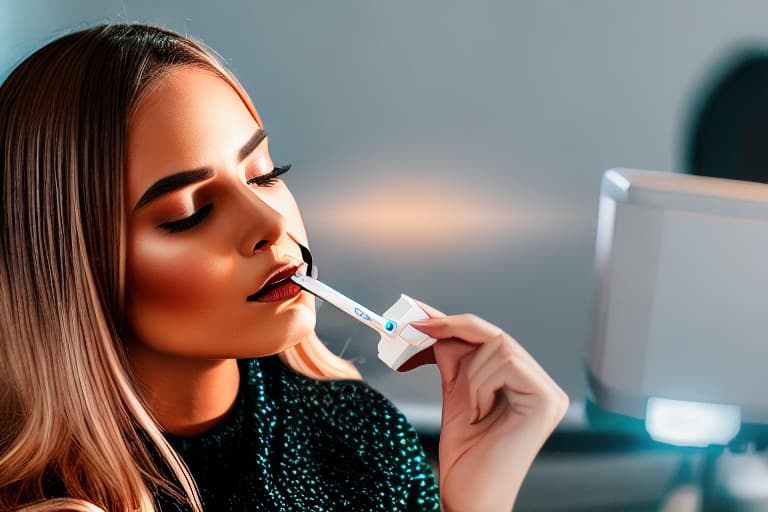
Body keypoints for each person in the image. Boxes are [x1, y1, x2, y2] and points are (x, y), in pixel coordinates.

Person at [0, 23, 568, 512]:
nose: (269, 224)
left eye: (265, 174)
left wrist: (474, 502)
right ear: (65, 272)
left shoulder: (362, 441)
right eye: (189, 214)